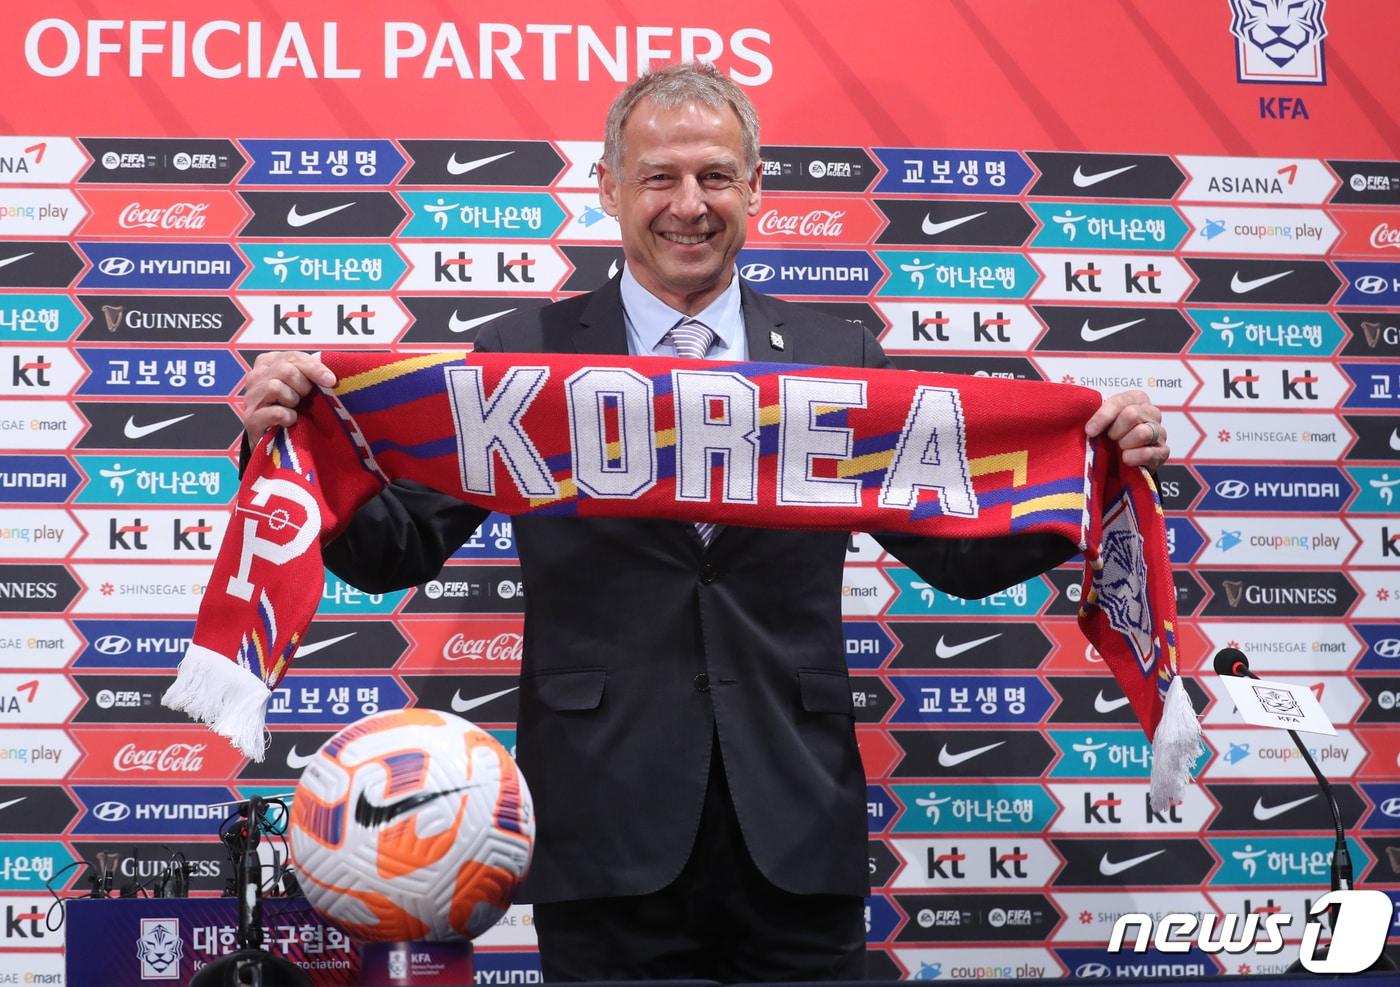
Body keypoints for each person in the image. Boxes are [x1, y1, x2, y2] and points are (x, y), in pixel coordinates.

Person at [239, 63, 1170, 981]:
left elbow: (952, 557)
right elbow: (391, 552)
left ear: (755, 188)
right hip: (603, 833)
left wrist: (1084, 474)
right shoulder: (520, 356)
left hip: (797, 829)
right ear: (609, 187)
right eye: (660, 177)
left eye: (716, 176)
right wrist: (290, 444)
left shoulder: (832, 358)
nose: (690, 203)